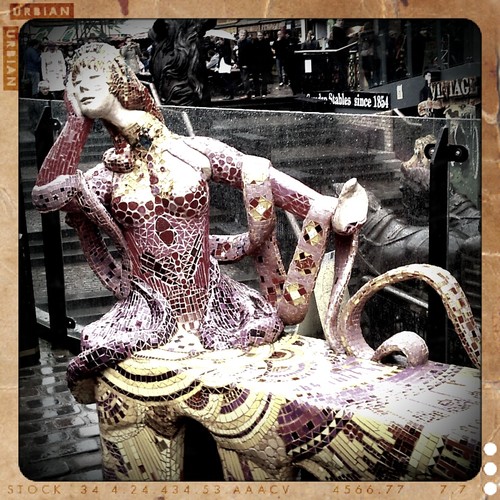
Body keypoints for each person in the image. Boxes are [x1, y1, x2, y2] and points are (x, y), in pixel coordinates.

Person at [31, 42, 367, 403]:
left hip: (215, 305)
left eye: (93, 77)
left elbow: (261, 177)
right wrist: (75, 124)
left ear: (117, 82)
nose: (83, 86)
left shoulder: (194, 152)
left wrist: (328, 208)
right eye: (76, 81)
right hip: (146, 311)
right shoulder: (106, 176)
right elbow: (47, 196)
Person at [328, 19, 349, 90]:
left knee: (340, 70)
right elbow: (340, 42)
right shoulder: (337, 30)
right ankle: (341, 85)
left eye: (342, 20)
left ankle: (339, 85)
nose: (342, 22)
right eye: (340, 20)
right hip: (339, 54)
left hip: (337, 54)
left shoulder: (335, 31)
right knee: (341, 70)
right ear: (337, 21)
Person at [251, 31, 274, 97]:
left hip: (264, 63)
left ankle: (264, 92)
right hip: (256, 63)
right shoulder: (254, 43)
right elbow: (251, 54)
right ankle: (256, 92)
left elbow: (269, 54)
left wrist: (269, 64)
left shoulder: (266, 43)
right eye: (258, 35)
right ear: (257, 36)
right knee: (255, 79)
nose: (260, 37)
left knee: (264, 79)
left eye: (261, 35)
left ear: (263, 36)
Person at [236, 29, 255, 98]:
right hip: (242, 63)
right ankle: (247, 93)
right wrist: (238, 63)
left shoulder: (247, 42)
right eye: (241, 35)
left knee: (245, 79)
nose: (242, 36)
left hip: (245, 64)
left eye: (243, 35)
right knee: (244, 79)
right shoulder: (239, 42)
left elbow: (249, 55)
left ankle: (247, 93)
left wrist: (246, 64)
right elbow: (240, 55)